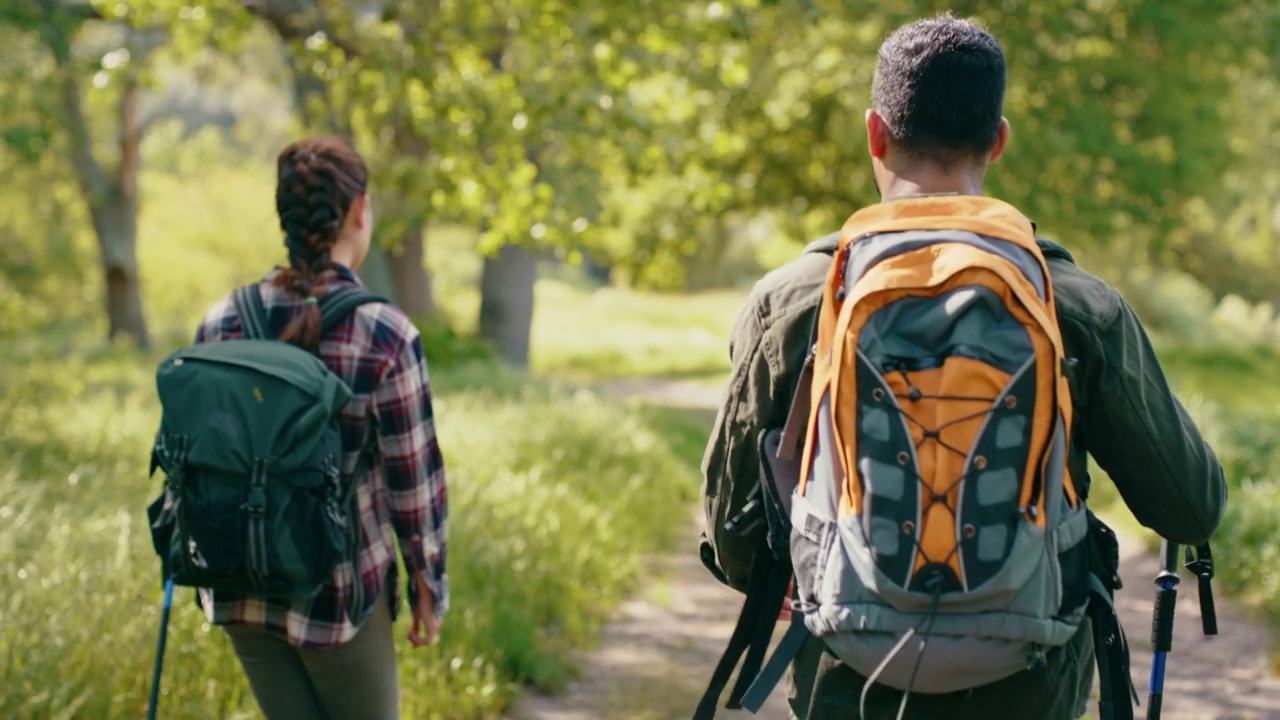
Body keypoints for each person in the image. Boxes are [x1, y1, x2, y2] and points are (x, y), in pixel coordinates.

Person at [699, 14, 1226, 720]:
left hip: (847, 681)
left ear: (875, 134)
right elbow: (1189, 507)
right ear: (999, 140)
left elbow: (735, 546)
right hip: (1030, 679)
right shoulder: (1076, 304)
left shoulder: (793, 301)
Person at [191, 136, 448, 719]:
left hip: (239, 587)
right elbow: (414, 481)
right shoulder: (384, 332)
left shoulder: (221, 321)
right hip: (338, 595)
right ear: (359, 210)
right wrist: (426, 586)